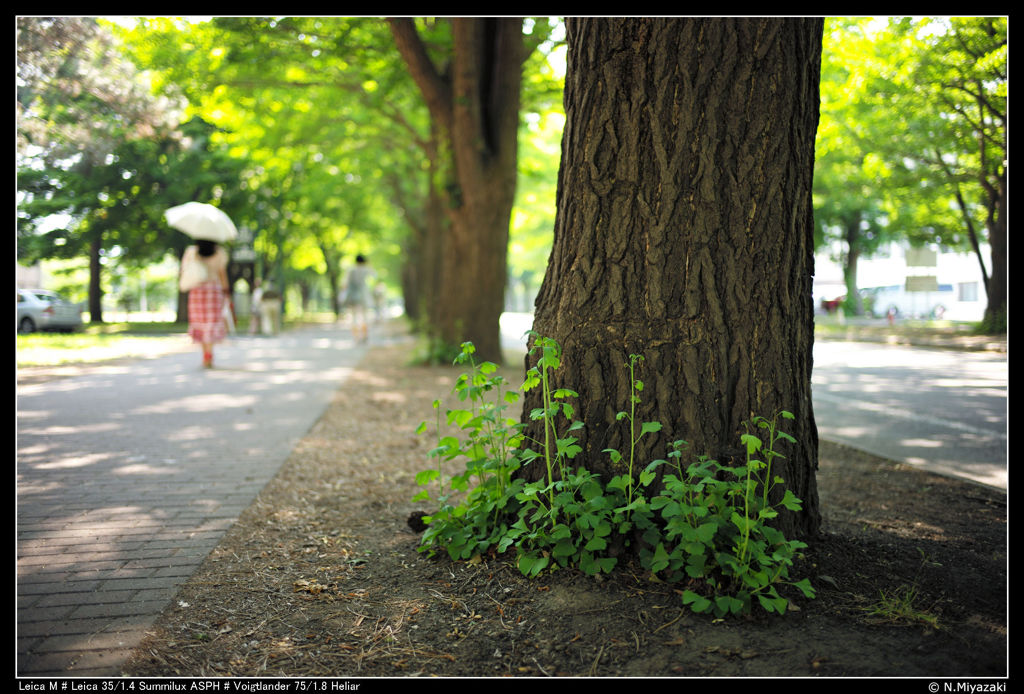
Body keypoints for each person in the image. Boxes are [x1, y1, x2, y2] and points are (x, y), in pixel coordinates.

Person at [181, 240, 229, 369]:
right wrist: (226, 290)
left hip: (197, 290)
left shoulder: (191, 252)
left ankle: (205, 354)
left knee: (200, 322)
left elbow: (185, 269)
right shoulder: (219, 252)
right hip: (213, 290)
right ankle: (209, 353)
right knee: (211, 323)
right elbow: (221, 273)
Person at [341, 254, 375, 343]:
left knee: (353, 317)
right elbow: (375, 275)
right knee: (365, 316)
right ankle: (365, 335)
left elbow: (345, 283)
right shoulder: (366, 269)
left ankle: (356, 336)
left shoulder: (351, 269)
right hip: (363, 295)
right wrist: (369, 265)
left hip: (353, 295)